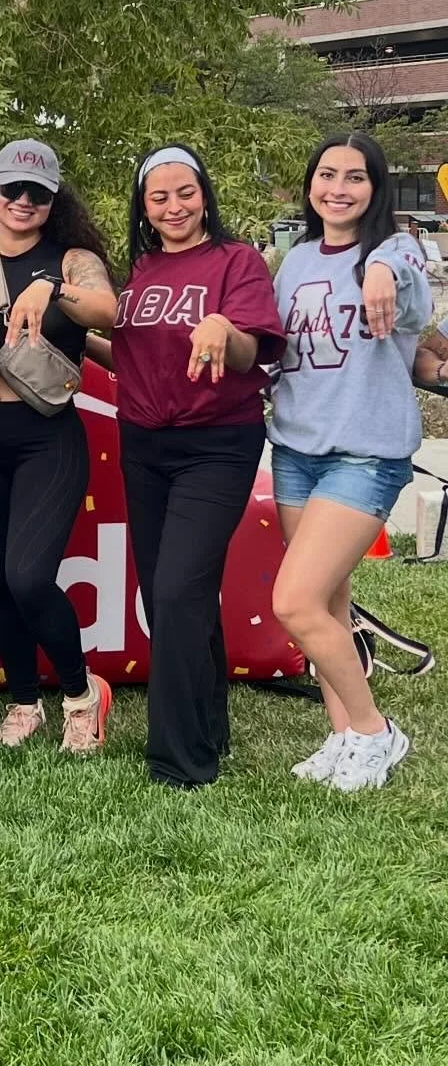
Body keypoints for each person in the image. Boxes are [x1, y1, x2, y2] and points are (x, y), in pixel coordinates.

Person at [111, 146, 285, 790]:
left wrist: (220, 325)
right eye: (159, 198)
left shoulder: (236, 262)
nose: (174, 206)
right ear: (144, 209)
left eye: (185, 193)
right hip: (144, 444)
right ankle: (211, 724)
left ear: (205, 195)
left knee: (178, 589)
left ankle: (179, 759)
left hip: (217, 443)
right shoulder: (140, 268)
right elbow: (131, 350)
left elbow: (245, 352)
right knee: (175, 593)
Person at [271, 133, 430, 792]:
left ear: (376, 187)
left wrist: (384, 269)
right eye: (326, 174)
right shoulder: (295, 259)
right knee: (330, 606)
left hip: (364, 453)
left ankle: (375, 733)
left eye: (355, 178)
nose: (338, 188)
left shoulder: (397, 254)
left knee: (295, 601)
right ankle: (342, 737)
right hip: (295, 449)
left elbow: (406, 283)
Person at [0, 141, 120, 754]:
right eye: (12, 189)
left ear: (54, 202)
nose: (24, 201)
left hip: (47, 438)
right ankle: (24, 702)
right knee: (0, 580)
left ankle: (81, 695)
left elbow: (108, 310)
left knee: (29, 576)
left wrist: (53, 289)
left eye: (39, 193)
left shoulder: (72, 260)